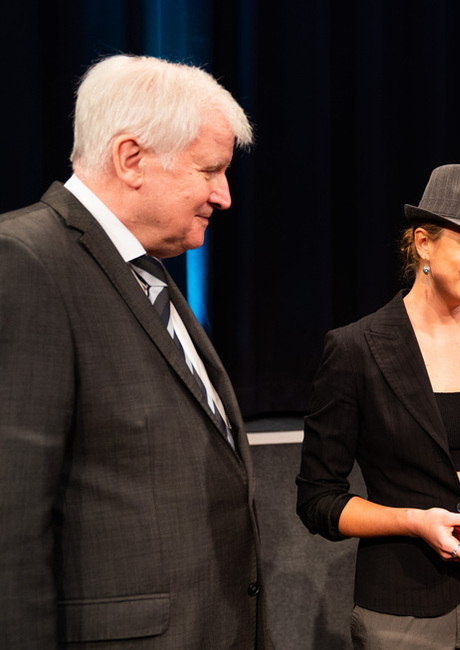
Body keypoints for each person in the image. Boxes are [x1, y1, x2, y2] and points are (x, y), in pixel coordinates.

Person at [0, 55, 272, 647]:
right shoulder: (24, 262)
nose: (223, 196)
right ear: (131, 159)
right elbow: (11, 524)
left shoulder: (144, 270)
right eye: (210, 171)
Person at [297, 164, 460, 649]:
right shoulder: (355, 348)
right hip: (401, 607)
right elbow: (318, 501)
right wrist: (414, 521)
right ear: (422, 243)